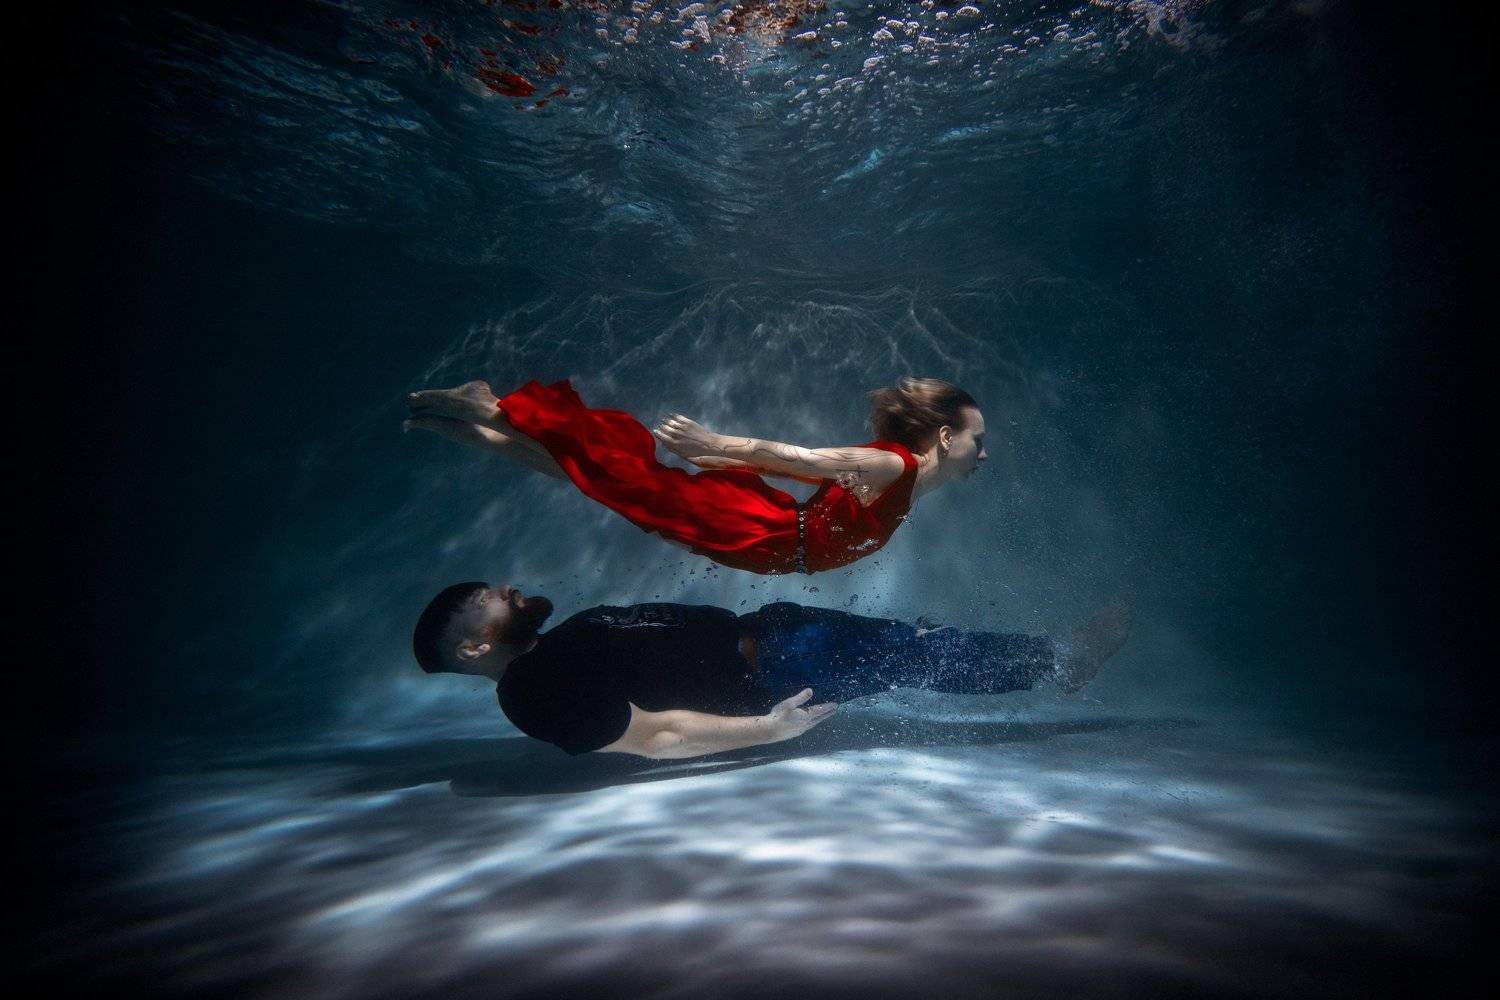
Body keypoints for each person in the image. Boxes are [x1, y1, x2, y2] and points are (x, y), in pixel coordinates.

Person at [411, 582, 1132, 759]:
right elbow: (652, 735)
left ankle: (1049, 660)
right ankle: (1059, 661)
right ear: (473, 649)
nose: (506, 590)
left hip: (771, 635)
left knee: (913, 644)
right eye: (486, 601)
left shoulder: (544, 660)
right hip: (777, 665)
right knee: (919, 655)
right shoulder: (534, 695)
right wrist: (766, 730)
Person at [404, 376, 986, 574]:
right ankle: (488, 408)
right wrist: (713, 444)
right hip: (754, 529)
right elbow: (803, 459)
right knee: (615, 474)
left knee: (610, 484)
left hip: (762, 539)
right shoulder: (894, 464)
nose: (981, 454)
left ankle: (478, 430)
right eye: (976, 441)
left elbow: (815, 483)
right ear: (943, 437)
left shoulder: (905, 480)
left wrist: (727, 462)